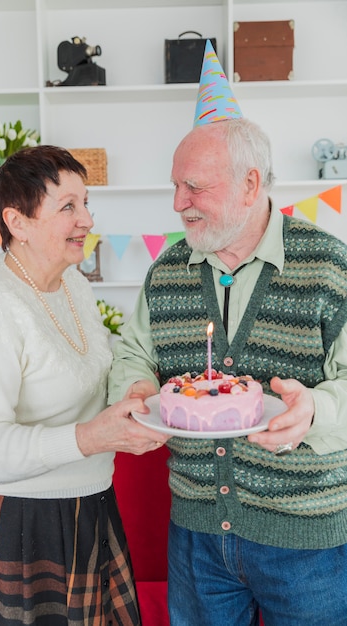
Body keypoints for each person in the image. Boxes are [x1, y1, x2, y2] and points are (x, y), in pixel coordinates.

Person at [108, 117, 347, 626]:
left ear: (251, 183)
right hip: (196, 540)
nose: (177, 202)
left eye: (194, 186)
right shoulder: (168, 270)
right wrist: (139, 390)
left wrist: (314, 411)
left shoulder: (329, 267)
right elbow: (134, 352)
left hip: (307, 543)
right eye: (175, 185)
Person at [0, 145, 168, 626]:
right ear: (17, 222)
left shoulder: (74, 285)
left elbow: (93, 380)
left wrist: (136, 396)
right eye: (68, 206)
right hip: (19, 529)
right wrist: (89, 438)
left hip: (91, 510)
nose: (86, 219)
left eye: (86, 203)